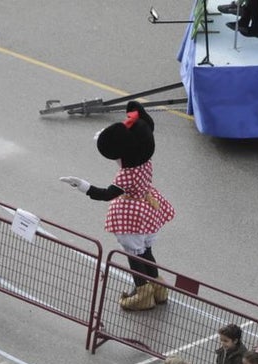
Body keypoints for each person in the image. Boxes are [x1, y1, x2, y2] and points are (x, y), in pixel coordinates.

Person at [59, 102, 173, 311]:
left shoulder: (126, 175)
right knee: (145, 249)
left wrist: (82, 186)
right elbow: (126, 154)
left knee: (133, 253)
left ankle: (143, 291)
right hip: (147, 205)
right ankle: (157, 285)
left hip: (131, 213)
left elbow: (106, 194)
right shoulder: (145, 163)